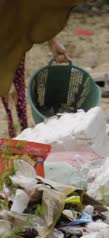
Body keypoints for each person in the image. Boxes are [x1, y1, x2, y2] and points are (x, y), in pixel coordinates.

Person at [0, 0, 83, 136]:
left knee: (17, 97)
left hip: (13, 40)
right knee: (9, 93)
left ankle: (20, 139)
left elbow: (31, 10)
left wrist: (53, 41)